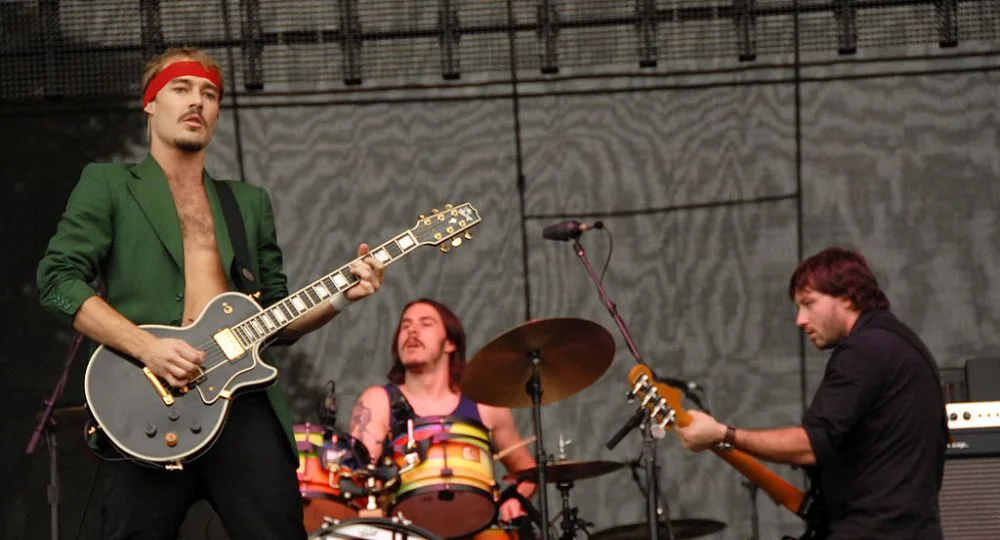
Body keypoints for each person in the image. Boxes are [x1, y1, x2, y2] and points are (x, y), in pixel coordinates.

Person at [36, 47, 385, 540]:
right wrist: (147, 347)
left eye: (209, 94)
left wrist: (343, 294)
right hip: (143, 399)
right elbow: (57, 280)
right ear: (151, 104)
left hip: (240, 404)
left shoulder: (247, 203)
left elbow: (276, 318)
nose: (196, 102)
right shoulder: (110, 184)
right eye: (181, 89)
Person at [675, 247, 947, 539]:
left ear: (847, 296)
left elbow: (811, 445)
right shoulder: (902, 344)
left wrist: (722, 434)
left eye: (808, 303)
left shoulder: (864, 351)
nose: (800, 320)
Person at [349, 299, 538, 529]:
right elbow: (357, 478)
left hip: (476, 527)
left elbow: (527, 471)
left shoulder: (485, 403)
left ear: (450, 343)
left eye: (425, 323)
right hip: (405, 530)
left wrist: (515, 499)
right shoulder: (378, 402)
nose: (412, 330)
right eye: (405, 325)